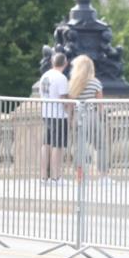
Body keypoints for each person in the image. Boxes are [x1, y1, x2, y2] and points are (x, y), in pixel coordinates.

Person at [67, 55, 108, 181]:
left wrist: (70, 119)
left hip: (78, 115)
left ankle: (80, 175)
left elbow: (70, 105)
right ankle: (103, 176)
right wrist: (102, 118)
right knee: (100, 145)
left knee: (79, 147)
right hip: (92, 115)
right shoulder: (95, 82)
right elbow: (100, 104)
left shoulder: (73, 83)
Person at [38, 53, 69, 185]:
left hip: (46, 113)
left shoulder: (44, 76)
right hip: (58, 115)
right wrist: (70, 110)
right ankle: (56, 177)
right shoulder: (61, 78)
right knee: (58, 146)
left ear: (52, 62)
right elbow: (63, 99)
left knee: (46, 144)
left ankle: (43, 177)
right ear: (65, 63)